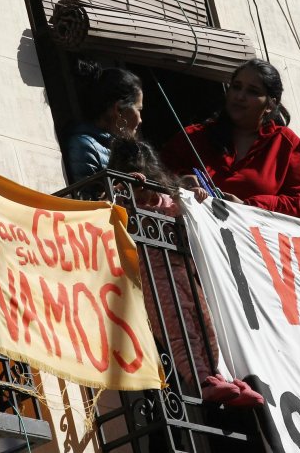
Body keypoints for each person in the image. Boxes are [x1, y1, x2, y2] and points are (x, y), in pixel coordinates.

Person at [107, 138, 262, 407]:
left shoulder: (167, 197)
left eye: (146, 184)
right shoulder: (122, 202)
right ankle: (202, 381)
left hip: (188, 274)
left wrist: (194, 195)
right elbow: (106, 210)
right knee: (178, 328)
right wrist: (121, 188)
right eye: (136, 186)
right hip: (156, 279)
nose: (142, 192)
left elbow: (189, 212)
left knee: (208, 326)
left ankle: (221, 376)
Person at [161, 59, 300, 218]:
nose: (240, 96)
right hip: (188, 236)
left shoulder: (286, 143)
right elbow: (157, 173)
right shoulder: (193, 136)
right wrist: (181, 180)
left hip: (252, 240)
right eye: (236, 87)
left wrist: (247, 207)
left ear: (270, 105)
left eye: (252, 91)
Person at [63, 61, 144, 184]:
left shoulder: (128, 149)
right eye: (138, 109)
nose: (140, 119)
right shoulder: (84, 146)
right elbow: (87, 200)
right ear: (118, 109)